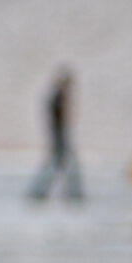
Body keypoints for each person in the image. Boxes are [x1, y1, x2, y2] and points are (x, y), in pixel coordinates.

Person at [26, 67, 83, 203]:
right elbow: (60, 119)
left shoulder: (57, 96)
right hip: (59, 136)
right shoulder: (57, 97)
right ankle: (41, 192)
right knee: (58, 164)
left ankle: (71, 193)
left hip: (59, 136)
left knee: (59, 164)